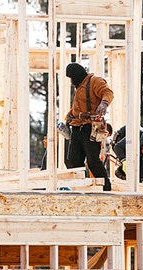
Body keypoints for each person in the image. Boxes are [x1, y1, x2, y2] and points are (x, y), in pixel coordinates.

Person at [62, 62, 114, 191]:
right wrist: (69, 116)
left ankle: (106, 188)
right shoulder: (79, 87)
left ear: (77, 75)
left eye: (71, 77)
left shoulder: (94, 82)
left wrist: (104, 104)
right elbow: (77, 108)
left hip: (90, 128)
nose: (71, 81)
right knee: (73, 161)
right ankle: (81, 187)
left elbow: (107, 92)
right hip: (77, 128)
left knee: (92, 160)